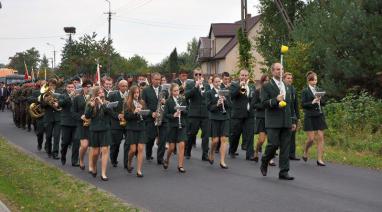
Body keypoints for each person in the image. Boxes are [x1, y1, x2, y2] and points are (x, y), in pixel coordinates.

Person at [260, 63, 296, 180]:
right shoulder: (266, 86)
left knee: (285, 146)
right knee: (273, 144)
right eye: (277, 69)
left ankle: (284, 171)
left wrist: (293, 120)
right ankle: (265, 160)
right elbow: (264, 103)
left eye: (281, 69)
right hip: (273, 120)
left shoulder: (287, 86)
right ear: (272, 71)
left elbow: (291, 105)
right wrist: (276, 100)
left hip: (286, 121)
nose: (280, 71)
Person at [301, 71, 327, 166]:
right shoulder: (305, 91)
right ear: (309, 81)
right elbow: (303, 104)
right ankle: (305, 151)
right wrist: (312, 102)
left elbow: (324, 103)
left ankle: (319, 159)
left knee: (320, 137)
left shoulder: (319, 89)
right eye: (313, 80)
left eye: (316, 79)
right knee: (311, 139)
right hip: (310, 116)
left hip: (319, 115)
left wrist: (320, 100)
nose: (315, 81)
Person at [85, 86, 111, 181]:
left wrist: (102, 104)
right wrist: (91, 106)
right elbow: (87, 116)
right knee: (95, 153)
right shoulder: (90, 103)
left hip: (105, 129)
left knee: (105, 150)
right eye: (99, 93)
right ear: (96, 94)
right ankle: (94, 166)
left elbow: (111, 113)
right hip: (94, 130)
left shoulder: (107, 103)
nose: (101, 94)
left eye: (102, 92)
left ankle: (103, 173)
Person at [229, 69, 256, 160]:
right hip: (238, 114)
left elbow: (253, 98)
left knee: (250, 135)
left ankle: (250, 155)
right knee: (235, 134)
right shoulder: (234, 85)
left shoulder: (252, 86)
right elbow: (232, 95)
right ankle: (232, 151)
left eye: (246, 75)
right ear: (239, 76)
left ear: (248, 76)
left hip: (249, 114)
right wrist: (239, 87)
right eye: (242, 75)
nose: (244, 77)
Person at [184, 68, 210, 161]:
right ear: (193, 76)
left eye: (200, 74)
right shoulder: (190, 84)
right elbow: (186, 95)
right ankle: (187, 151)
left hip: (204, 113)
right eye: (196, 74)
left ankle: (205, 154)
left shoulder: (206, 85)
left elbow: (207, 97)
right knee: (191, 134)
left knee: (206, 135)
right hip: (194, 113)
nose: (198, 76)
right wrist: (195, 87)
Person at [206, 75, 230, 169]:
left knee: (224, 140)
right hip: (214, 118)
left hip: (224, 117)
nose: (218, 83)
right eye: (216, 82)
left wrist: (225, 100)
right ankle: (211, 152)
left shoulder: (225, 92)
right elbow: (209, 108)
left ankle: (222, 161)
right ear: (213, 83)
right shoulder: (209, 93)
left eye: (219, 82)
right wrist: (217, 104)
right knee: (215, 141)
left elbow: (230, 105)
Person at [163, 83, 187, 173]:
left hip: (181, 125)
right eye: (175, 91)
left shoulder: (182, 99)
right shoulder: (168, 101)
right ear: (171, 92)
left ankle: (180, 165)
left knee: (182, 145)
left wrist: (183, 110)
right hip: (172, 126)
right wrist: (173, 115)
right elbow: (165, 115)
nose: (177, 93)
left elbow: (187, 110)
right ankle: (167, 159)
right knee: (172, 148)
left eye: (178, 91)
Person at [124, 86, 147, 177]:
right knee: (133, 150)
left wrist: (143, 112)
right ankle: (129, 162)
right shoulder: (127, 103)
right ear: (132, 93)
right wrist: (135, 112)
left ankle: (139, 170)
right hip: (131, 128)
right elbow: (126, 117)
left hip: (141, 127)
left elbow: (146, 116)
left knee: (141, 148)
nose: (137, 94)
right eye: (135, 93)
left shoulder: (142, 102)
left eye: (138, 93)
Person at [253, 75, 275, 165]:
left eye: (268, 80)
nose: (266, 82)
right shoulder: (258, 91)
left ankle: (270, 158)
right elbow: (253, 105)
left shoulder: (272, 91)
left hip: (271, 117)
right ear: (262, 82)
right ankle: (256, 151)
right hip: (261, 117)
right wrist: (264, 105)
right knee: (261, 140)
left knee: (271, 140)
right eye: (265, 81)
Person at [72, 80, 93, 171]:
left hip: (92, 124)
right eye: (87, 86)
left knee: (92, 147)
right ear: (83, 87)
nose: (89, 88)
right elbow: (72, 112)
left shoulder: (94, 97)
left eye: (90, 86)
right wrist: (81, 117)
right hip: (82, 124)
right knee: (84, 146)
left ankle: (91, 166)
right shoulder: (77, 98)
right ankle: (80, 160)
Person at [141, 73, 162, 162]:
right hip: (150, 118)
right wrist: (151, 113)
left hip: (161, 117)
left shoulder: (163, 89)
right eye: (156, 79)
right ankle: (148, 154)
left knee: (162, 137)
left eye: (159, 79)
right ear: (152, 80)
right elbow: (143, 104)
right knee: (151, 138)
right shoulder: (146, 90)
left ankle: (160, 158)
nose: (158, 81)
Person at [108, 80, 129, 167]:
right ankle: (113, 159)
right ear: (119, 87)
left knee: (128, 143)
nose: (124, 88)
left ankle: (126, 163)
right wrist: (117, 115)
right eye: (123, 86)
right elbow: (109, 109)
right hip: (116, 123)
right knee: (116, 143)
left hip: (127, 122)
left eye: (126, 86)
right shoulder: (113, 95)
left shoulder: (129, 95)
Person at [58, 81, 79, 166]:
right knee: (65, 142)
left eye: (72, 87)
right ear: (66, 88)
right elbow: (61, 104)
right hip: (66, 122)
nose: (71, 89)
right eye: (69, 87)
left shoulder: (78, 96)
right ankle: (63, 155)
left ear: (75, 88)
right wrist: (70, 96)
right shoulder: (62, 96)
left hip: (76, 122)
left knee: (76, 142)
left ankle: (74, 161)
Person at [41, 79, 62, 159]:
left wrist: (58, 103)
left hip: (57, 117)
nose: (52, 87)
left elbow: (62, 102)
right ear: (48, 86)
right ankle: (49, 150)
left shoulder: (59, 93)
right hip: (48, 117)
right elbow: (42, 105)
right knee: (49, 136)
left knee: (57, 136)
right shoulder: (44, 94)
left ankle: (55, 153)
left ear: (55, 86)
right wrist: (46, 101)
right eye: (50, 85)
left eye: (53, 85)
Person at [283, 72, 301, 161]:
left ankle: (292, 154)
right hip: (283, 115)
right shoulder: (281, 88)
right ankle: (283, 153)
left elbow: (295, 104)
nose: (290, 80)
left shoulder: (293, 89)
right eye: (288, 78)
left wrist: (298, 118)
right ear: (284, 79)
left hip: (292, 115)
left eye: (291, 78)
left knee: (292, 135)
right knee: (284, 136)